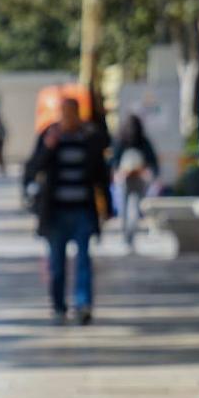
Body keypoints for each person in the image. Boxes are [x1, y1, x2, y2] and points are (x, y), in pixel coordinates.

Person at [25, 96, 112, 325]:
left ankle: (83, 304)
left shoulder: (89, 138)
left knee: (83, 260)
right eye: (64, 112)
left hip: (82, 209)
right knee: (56, 264)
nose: (68, 117)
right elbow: (33, 166)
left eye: (71, 112)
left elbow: (101, 175)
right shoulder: (49, 136)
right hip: (55, 212)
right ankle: (58, 305)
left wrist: (108, 207)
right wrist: (48, 148)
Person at [110, 114, 160, 250]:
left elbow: (114, 160)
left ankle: (128, 235)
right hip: (127, 178)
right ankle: (128, 235)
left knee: (131, 207)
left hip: (136, 178)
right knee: (129, 207)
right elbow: (115, 160)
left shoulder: (130, 140)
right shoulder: (128, 141)